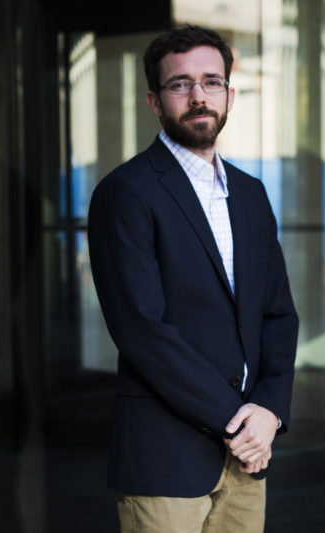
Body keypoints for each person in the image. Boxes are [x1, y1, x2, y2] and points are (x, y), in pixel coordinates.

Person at [87, 25, 299, 532]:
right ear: (154, 101)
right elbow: (143, 329)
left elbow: (277, 314)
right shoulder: (125, 192)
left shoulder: (251, 194)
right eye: (180, 84)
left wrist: (269, 411)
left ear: (230, 95)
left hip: (247, 457)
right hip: (167, 455)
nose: (198, 96)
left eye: (212, 81)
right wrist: (240, 423)